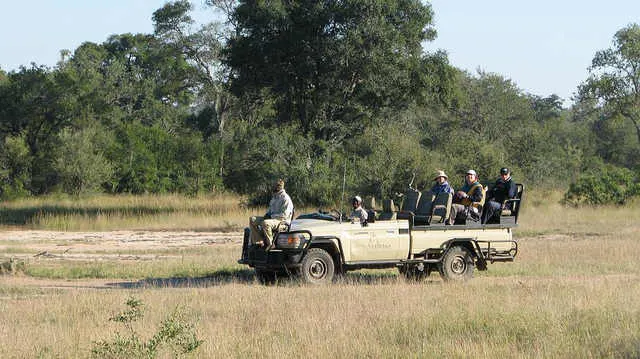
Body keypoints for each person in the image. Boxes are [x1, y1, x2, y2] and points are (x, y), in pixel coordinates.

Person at [249, 179, 294, 248]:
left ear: (279, 187)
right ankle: (259, 241)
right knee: (252, 219)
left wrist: (271, 216)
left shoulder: (285, 198)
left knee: (265, 223)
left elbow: (284, 216)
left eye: (274, 186)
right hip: (272, 219)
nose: (272, 187)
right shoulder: (274, 198)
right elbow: (270, 210)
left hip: (282, 222)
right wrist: (267, 214)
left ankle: (271, 244)